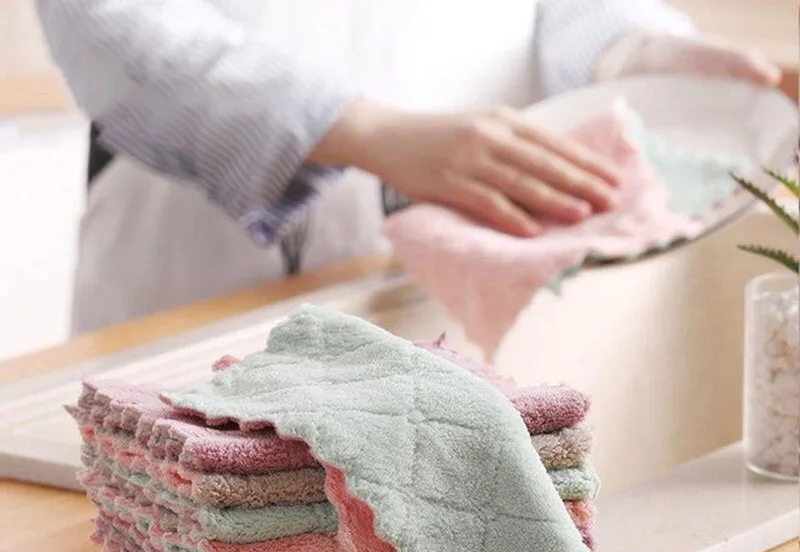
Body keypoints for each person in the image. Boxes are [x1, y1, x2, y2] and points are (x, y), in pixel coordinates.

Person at [36, 0, 780, 334]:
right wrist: (362, 130)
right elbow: (108, 16)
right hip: (193, 275)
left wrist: (638, 50)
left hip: (448, 282)